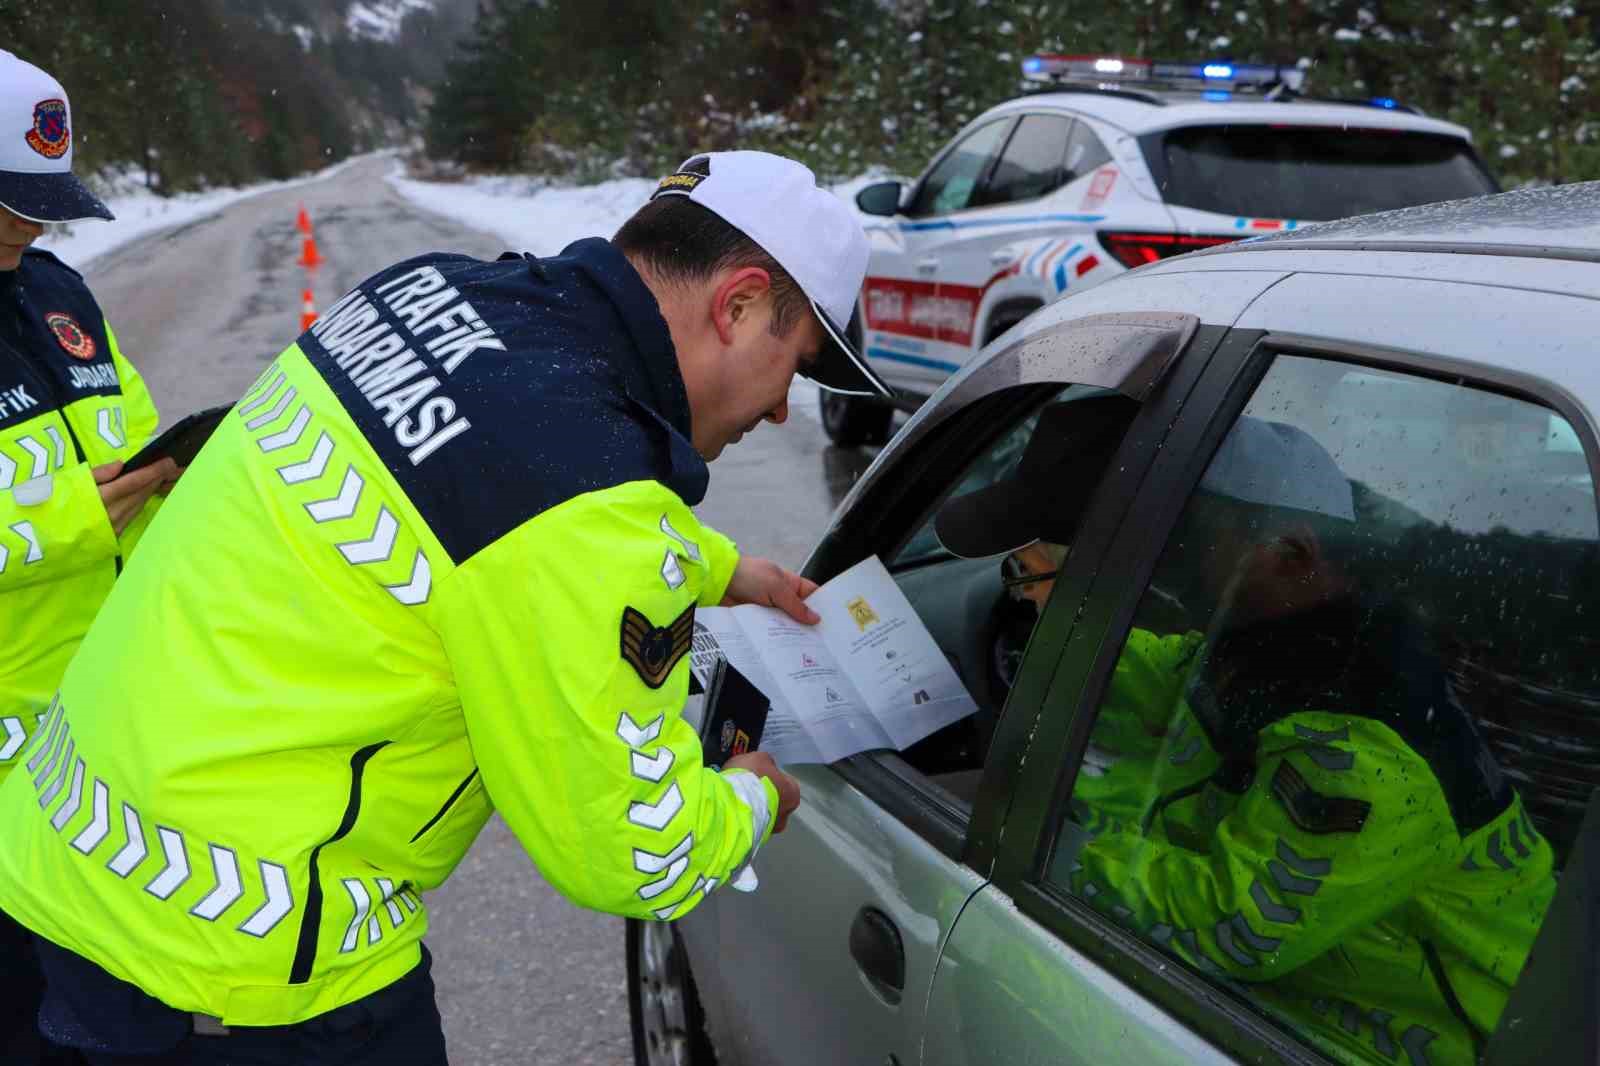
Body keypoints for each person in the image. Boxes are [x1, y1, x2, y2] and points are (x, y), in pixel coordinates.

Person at [0, 150, 891, 1063]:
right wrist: (748, 798)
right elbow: (633, 847)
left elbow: (478, 497)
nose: (785, 410)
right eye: (800, 364)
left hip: (72, 856)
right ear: (738, 305)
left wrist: (719, 567)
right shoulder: (587, 504)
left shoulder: (427, 294)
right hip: (239, 964)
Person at [937, 407, 1554, 1066]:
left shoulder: (1368, 741)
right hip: (1303, 996)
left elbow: (1235, 927)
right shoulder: (1281, 640)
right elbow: (1159, 676)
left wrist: (1061, 852)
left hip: (1403, 1038)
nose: (1171, 558)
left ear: (1290, 554)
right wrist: (1046, 624)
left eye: (1199, 537)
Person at [0, 49, 178, 1066]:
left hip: (100, 750)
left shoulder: (58, 288)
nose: (34, 226)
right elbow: (78, 502)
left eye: (43, 201)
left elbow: (133, 439)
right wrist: (67, 516)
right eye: (9, 202)